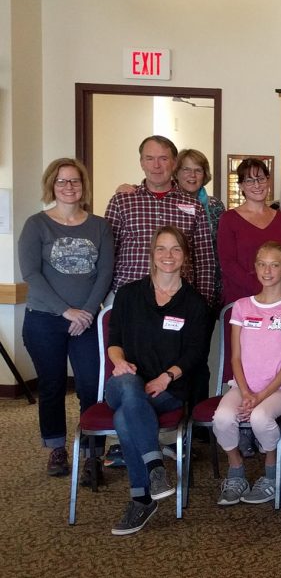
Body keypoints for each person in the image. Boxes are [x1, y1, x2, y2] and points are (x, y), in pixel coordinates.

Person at [105, 226, 209, 535]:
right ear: (151, 255)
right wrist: (119, 362)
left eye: (175, 249)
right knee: (128, 386)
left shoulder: (195, 304)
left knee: (126, 416)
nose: (168, 255)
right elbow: (114, 341)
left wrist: (166, 377)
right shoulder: (128, 295)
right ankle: (155, 467)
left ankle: (141, 497)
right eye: (161, 249)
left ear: (184, 257)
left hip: (170, 389)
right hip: (124, 382)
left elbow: (194, 354)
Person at [19, 158, 113, 476]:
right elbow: (31, 273)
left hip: (87, 320)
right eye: (62, 181)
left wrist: (86, 312)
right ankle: (57, 448)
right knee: (52, 385)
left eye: (74, 181)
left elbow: (105, 273)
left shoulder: (99, 226)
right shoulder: (37, 224)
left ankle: (91, 453)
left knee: (90, 386)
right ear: (52, 185)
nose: (69, 187)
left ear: (83, 186)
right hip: (45, 319)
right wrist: (65, 311)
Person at [212, 242, 281, 505]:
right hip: (243, 387)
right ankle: (236, 469)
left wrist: (260, 396)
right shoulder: (242, 307)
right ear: (255, 268)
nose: (267, 270)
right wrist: (245, 392)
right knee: (222, 418)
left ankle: (271, 472)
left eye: (275, 264)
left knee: (260, 417)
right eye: (262, 264)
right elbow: (235, 357)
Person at [106, 135, 215, 305]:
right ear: (142, 162)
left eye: (163, 158)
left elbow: (204, 261)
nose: (156, 165)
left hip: (179, 299)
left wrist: (204, 304)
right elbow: (107, 254)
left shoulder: (194, 206)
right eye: (150, 158)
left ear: (174, 163)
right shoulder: (122, 201)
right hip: (127, 297)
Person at [217, 158, 281, 305]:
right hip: (241, 299)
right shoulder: (228, 220)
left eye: (260, 179)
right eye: (249, 181)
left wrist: (277, 289)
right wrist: (261, 289)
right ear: (241, 185)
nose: (257, 185)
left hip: (277, 299)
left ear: (268, 181)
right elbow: (228, 263)